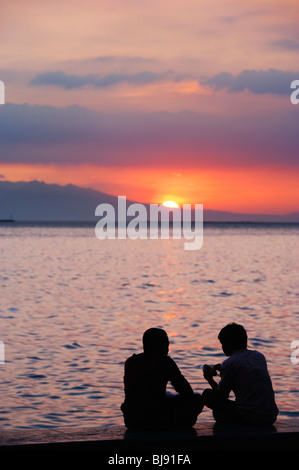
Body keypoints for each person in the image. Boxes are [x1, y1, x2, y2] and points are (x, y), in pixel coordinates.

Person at [121, 328, 203, 430]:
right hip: (157, 419)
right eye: (166, 345)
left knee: (166, 395)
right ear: (159, 346)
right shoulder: (165, 362)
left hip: (132, 421)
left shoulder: (131, 362)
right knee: (197, 399)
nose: (168, 350)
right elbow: (187, 391)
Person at [202, 323, 279, 425]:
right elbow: (245, 371)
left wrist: (210, 379)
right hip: (270, 417)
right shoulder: (259, 356)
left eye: (223, 344)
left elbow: (222, 396)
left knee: (208, 395)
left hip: (250, 418)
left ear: (229, 345)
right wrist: (224, 371)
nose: (222, 347)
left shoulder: (229, 363)